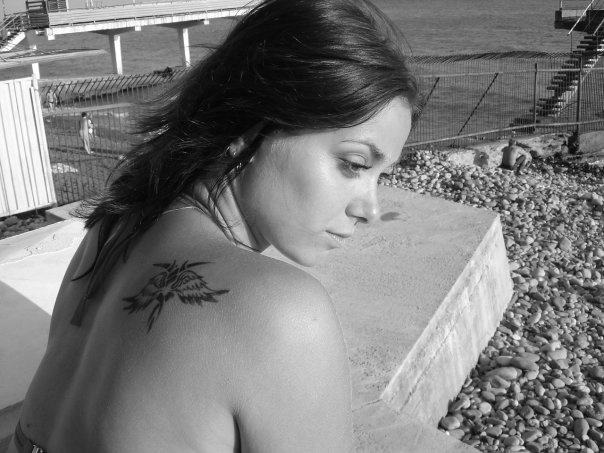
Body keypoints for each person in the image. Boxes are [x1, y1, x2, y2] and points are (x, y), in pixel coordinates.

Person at [8, 0, 417, 452]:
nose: (370, 209)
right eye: (354, 163)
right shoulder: (281, 310)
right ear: (249, 127)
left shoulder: (111, 229)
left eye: (382, 175)